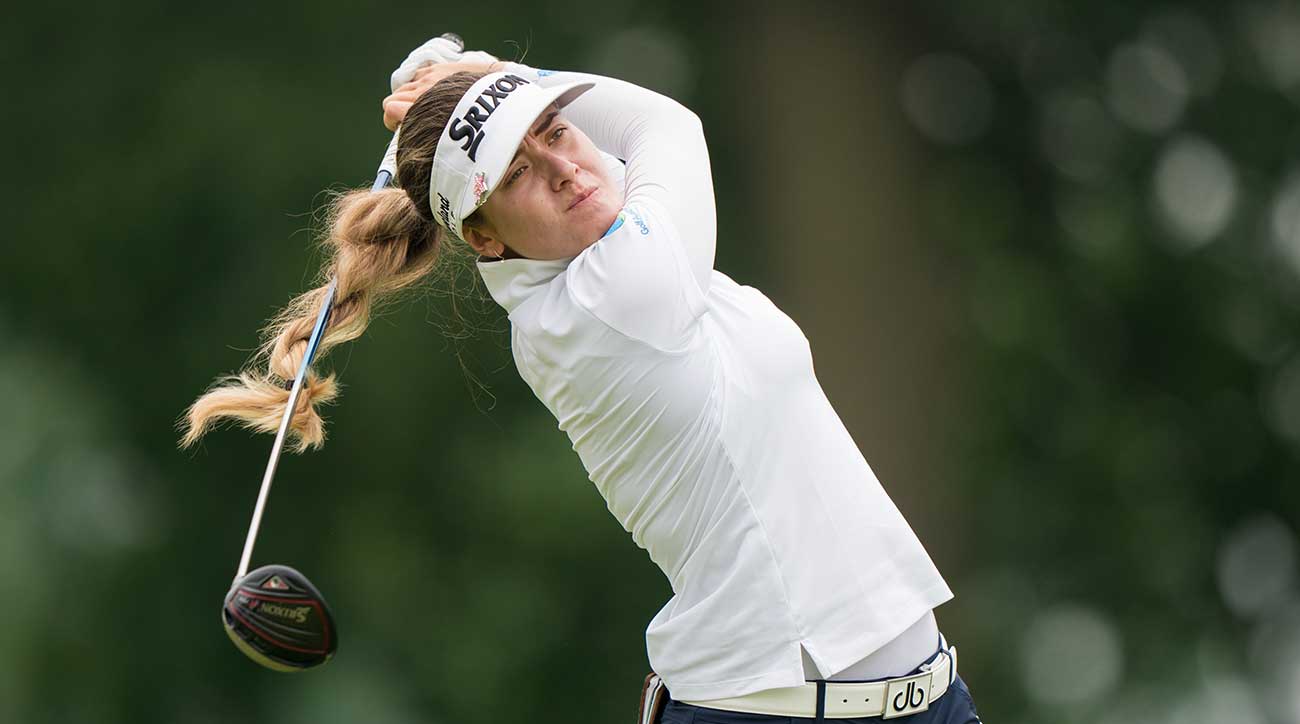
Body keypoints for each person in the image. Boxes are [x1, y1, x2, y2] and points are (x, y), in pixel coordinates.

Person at [181, 37, 981, 723]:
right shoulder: (614, 297)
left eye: (557, 131)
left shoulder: (597, 257)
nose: (565, 167)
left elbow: (603, 152)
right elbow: (665, 122)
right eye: (521, 172)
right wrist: (496, 71)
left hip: (927, 698)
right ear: (485, 240)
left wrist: (494, 94)